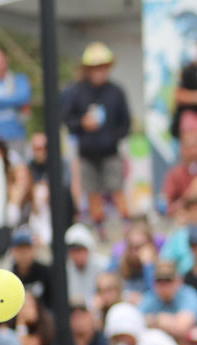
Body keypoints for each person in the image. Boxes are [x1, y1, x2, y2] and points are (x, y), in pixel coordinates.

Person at [62, 42, 132, 228]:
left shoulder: (116, 92)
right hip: (87, 152)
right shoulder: (76, 92)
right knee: (92, 191)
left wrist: (112, 137)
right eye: (94, 68)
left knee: (117, 187)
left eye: (102, 67)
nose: (99, 72)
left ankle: (126, 224)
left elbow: (126, 122)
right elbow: (68, 119)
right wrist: (82, 123)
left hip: (110, 151)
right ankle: (99, 226)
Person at [0, 49, 32, 148]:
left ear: (6, 62)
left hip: (17, 135)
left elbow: (23, 98)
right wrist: (12, 100)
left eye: (0, 63)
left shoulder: (19, 79)